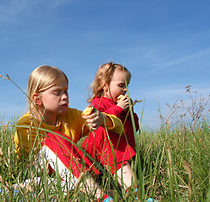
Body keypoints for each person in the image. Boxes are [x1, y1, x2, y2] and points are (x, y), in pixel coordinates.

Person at [14, 65, 127, 201]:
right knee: (53, 139)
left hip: (75, 171)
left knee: (103, 131)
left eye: (66, 91)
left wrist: (103, 119)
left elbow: (119, 128)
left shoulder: (71, 115)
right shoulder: (27, 124)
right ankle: (100, 197)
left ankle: (133, 191)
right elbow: (32, 164)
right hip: (44, 175)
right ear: (37, 99)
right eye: (57, 92)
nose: (65, 97)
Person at [84, 62, 139, 193]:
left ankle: (124, 191)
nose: (125, 89)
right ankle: (133, 192)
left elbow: (135, 127)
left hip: (123, 148)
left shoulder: (123, 105)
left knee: (125, 166)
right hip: (105, 151)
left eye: (127, 85)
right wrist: (119, 108)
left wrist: (130, 111)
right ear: (105, 85)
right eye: (121, 85)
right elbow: (101, 122)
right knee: (123, 167)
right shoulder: (98, 103)